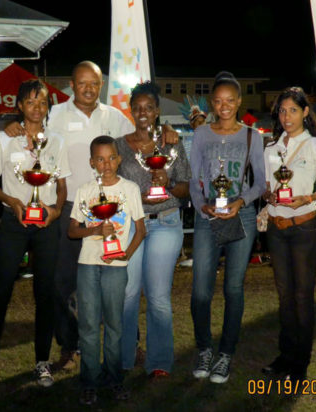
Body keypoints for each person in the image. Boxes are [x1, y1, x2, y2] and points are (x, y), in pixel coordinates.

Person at [4, 60, 178, 369]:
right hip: (70, 207)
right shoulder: (53, 115)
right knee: (62, 282)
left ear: (101, 86)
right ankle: (70, 347)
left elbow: (142, 132)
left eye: (94, 83)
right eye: (82, 83)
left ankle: (129, 343)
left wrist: (164, 128)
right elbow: (30, 131)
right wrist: (13, 127)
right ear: (71, 85)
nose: (88, 88)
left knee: (119, 279)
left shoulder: (115, 118)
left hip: (113, 212)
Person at [0, 80, 70, 389]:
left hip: (46, 223)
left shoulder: (57, 141)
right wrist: (11, 201)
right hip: (14, 224)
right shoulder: (5, 138)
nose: (37, 108)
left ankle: (42, 362)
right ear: (20, 105)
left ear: (48, 107)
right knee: (0, 292)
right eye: (31, 102)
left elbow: (62, 185)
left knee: (46, 294)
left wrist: (55, 210)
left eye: (43, 103)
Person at [189, 71, 265, 384]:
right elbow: (194, 180)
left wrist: (241, 202)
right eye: (218, 101)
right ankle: (204, 349)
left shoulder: (252, 136)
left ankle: (225, 355)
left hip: (240, 215)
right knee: (200, 292)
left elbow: (260, 182)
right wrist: (201, 206)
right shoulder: (202, 134)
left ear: (239, 102)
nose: (224, 106)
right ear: (212, 103)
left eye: (230, 100)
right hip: (208, 214)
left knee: (233, 288)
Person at [116, 81, 191, 378]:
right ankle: (123, 358)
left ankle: (159, 361)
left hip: (166, 222)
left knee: (158, 297)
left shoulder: (172, 143)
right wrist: (136, 197)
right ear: (131, 110)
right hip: (132, 226)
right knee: (128, 293)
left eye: (149, 107)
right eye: (137, 108)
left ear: (158, 110)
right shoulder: (120, 146)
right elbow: (114, 187)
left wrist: (168, 183)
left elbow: (185, 188)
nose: (143, 112)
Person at [261, 87, 316, 381]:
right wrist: (269, 196)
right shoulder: (270, 148)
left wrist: (307, 197)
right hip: (277, 230)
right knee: (284, 297)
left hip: (304, 228)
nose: (286, 116)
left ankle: (300, 363)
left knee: (302, 297)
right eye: (281, 110)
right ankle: (285, 355)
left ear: (305, 112)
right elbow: (268, 187)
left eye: (292, 110)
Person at [68, 135, 145, 405]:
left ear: (119, 159)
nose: (107, 163)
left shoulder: (130, 189)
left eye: (111, 157)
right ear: (92, 162)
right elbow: (72, 230)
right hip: (88, 265)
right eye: (100, 159)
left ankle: (114, 379)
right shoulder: (84, 190)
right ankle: (89, 381)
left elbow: (141, 230)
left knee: (114, 325)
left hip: (116, 267)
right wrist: (95, 230)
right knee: (89, 326)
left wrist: (126, 254)